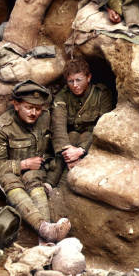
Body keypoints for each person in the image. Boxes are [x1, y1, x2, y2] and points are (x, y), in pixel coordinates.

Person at [0, 80, 71, 243]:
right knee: (10, 180)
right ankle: (45, 229)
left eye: (38, 108)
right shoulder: (2, 128)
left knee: (32, 177)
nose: (34, 113)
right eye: (29, 107)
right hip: (9, 178)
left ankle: (45, 237)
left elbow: (56, 143)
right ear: (16, 105)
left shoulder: (45, 118)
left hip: (36, 175)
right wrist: (22, 164)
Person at [49, 57, 113, 186]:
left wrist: (81, 150)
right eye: (70, 81)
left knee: (85, 135)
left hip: (91, 140)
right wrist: (68, 150)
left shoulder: (101, 94)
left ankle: (60, 185)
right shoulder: (63, 95)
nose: (75, 85)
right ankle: (49, 183)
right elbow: (58, 125)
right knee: (71, 136)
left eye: (79, 80)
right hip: (69, 141)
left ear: (88, 78)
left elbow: (103, 127)